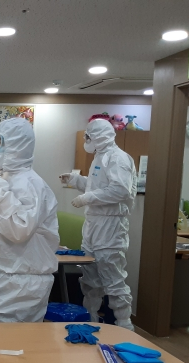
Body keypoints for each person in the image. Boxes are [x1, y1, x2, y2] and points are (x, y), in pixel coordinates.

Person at [0, 117, 59, 323]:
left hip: (21, 282)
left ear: (16, 145)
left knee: (14, 340)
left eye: (0, 142)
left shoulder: (32, 184)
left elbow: (18, 230)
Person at [59, 118, 137, 330]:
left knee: (113, 278)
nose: (86, 140)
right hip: (93, 224)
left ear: (99, 137)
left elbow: (120, 191)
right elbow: (97, 186)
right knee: (90, 277)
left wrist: (87, 198)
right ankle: (91, 322)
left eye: (89, 136)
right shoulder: (99, 157)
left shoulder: (118, 158)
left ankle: (125, 327)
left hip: (110, 227)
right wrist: (75, 180)